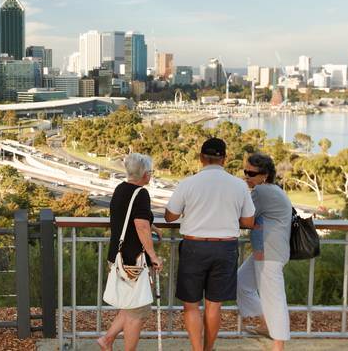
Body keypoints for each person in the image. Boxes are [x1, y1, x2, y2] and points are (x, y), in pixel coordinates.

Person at [164, 138, 255, 351]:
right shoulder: (238, 185)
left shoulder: (188, 183)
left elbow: (170, 216)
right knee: (214, 306)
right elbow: (249, 221)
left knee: (191, 305)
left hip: (194, 248)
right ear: (224, 158)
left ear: (201, 158)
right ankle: (208, 348)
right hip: (225, 248)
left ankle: (197, 350)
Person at [98, 153, 163, 351]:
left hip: (117, 257)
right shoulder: (141, 193)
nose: (150, 176)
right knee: (138, 312)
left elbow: (127, 217)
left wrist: (152, 226)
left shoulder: (121, 189)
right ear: (144, 174)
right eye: (150, 172)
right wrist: (153, 256)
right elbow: (140, 225)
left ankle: (107, 340)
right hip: (132, 261)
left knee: (130, 306)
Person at [237, 153, 291, 350]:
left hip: (270, 252)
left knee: (274, 299)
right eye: (245, 172)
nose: (247, 176)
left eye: (251, 173)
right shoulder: (273, 190)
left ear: (265, 175)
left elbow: (246, 218)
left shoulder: (262, 192)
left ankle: (278, 345)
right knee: (242, 281)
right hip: (267, 250)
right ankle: (266, 324)